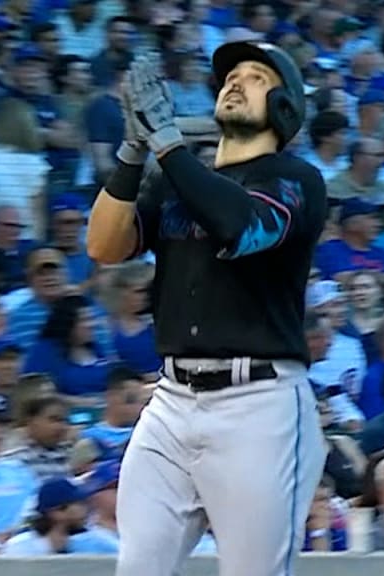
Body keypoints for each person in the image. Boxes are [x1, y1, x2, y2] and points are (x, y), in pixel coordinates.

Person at [86, 42, 327, 576]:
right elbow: (104, 246)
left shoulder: (295, 178)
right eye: (230, 76)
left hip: (259, 406)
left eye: (257, 77)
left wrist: (167, 144)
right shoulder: (177, 178)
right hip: (171, 402)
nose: (235, 82)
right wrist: (133, 149)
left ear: (285, 107)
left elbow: (241, 228)